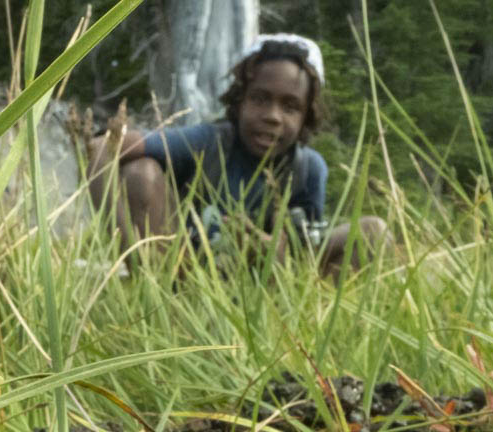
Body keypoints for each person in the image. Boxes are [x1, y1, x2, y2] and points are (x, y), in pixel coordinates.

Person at [87, 33, 391, 277]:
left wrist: (266, 247)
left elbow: (305, 250)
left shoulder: (308, 169)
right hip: (189, 274)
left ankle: (315, 324)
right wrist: (125, 241)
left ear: (306, 117)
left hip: (270, 282)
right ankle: (154, 291)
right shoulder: (208, 141)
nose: (272, 117)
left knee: (373, 232)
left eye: (290, 107)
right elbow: (103, 146)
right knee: (140, 172)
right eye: (260, 99)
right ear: (238, 102)